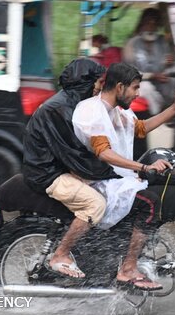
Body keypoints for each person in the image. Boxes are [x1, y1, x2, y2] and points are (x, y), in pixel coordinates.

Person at [72, 62, 175, 291]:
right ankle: (128, 268)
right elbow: (103, 152)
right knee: (149, 204)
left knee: (169, 185)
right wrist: (142, 168)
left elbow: (140, 128)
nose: (138, 93)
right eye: (135, 88)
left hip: (122, 180)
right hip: (101, 184)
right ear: (120, 87)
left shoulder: (119, 110)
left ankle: (138, 250)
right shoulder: (91, 110)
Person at [22, 58, 120, 279]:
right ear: (84, 82)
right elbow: (74, 153)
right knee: (96, 204)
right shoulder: (60, 109)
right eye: (97, 83)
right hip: (48, 173)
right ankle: (61, 255)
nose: (99, 88)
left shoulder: (71, 104)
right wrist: (111, 169)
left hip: (58, 167)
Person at [123, 8, 175, 115]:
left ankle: (172, 112)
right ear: (142, 24)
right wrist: (152, 76)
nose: (151, 27)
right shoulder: (131, 44)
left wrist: (168, 62)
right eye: (148, 23)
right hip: (139, 81)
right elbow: (129, 73)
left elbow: (167, 63)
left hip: (160, 79)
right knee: (146, 88)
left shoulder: (162, 42)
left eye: (154, 24)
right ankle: (157, 117)